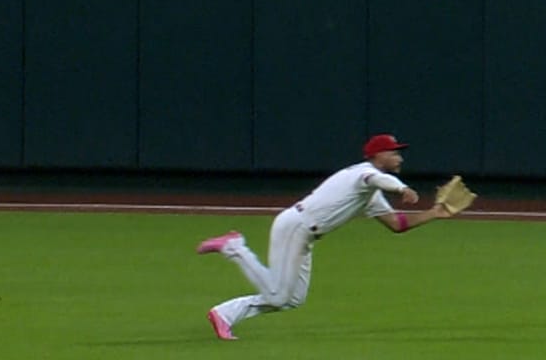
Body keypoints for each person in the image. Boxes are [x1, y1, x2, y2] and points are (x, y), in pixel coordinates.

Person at [197, 134, 464, 340]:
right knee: (278, 296)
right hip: (297, 226)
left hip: (304, 233)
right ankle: (234, 247)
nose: (400, 157)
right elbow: (376, 179)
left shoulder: (369, 195)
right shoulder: (363, 174)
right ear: (378, 154)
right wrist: (402, 188)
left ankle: (224, 314)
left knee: (292, 299)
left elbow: (397, 224)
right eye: (395, 152)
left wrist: (435, 213)